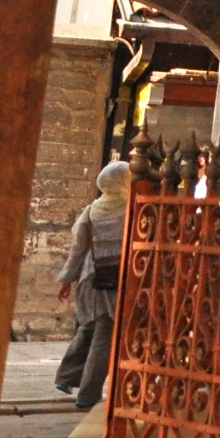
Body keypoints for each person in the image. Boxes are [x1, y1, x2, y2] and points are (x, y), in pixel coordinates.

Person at [53, 159, 132, 410]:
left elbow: (78, 250)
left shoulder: (92, 210)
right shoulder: (132, 209)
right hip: (114, 280)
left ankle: (66, 378)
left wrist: (67, 280)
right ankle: (87, 394)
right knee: (104, 336)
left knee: (88, 327)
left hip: (89, 280)